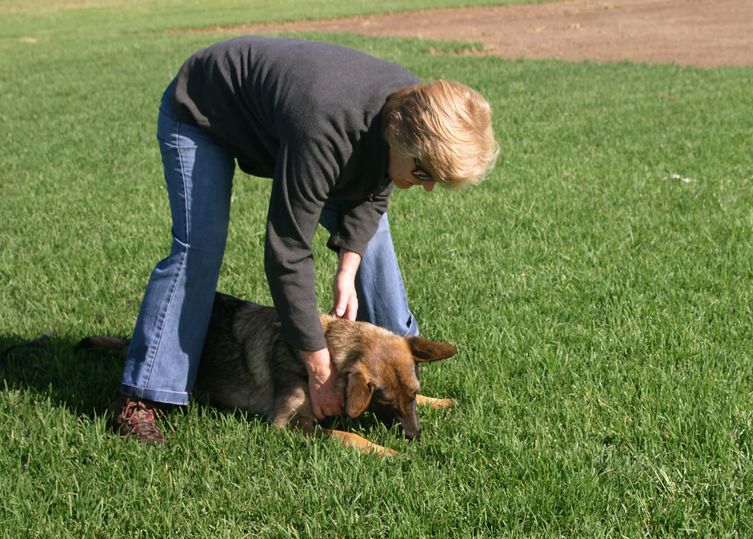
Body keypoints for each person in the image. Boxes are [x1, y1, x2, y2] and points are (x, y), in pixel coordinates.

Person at [110, 36, 499, 444]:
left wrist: (348, 268)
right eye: (424, 175)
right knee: (199, 248)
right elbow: (288, 251)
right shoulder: (325, 126)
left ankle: (392, 370)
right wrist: (318, 367)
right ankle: (143, 395)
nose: (427, 189)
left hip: (292, 124)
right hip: (205, 109)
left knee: (372, 241)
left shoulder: (411, 105)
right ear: (402, 139)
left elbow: (373, 189)